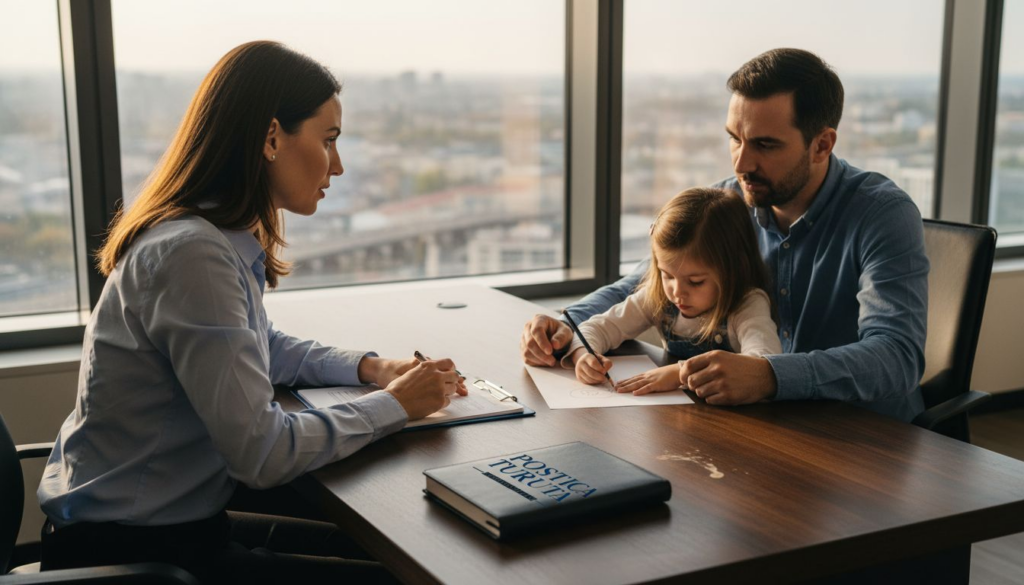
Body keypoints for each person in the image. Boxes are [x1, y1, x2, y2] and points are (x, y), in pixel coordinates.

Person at [37, 41, 465, 583]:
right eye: (328, 140)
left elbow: (261, 346)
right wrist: (393, 405)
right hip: (135, 555)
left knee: (392, 556)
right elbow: (262, 455)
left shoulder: (211, 235)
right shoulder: (192, 254)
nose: (338, 163)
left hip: (171, 528)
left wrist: (372, 368)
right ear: (270, 137)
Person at [522, 48, 928, 420]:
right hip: (761, 426)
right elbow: (648, 283)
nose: (742, 162)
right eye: (735, 139)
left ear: (822, 144)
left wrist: (769, 374)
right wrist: (566, 325)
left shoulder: (882, 214)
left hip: (862, 435)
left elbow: (896, 357)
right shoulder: (728, 200)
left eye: (765, 145)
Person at [566, 187, 781, 395]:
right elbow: (599, 328)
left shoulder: (747, 305)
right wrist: (584, 354)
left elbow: (764, 363)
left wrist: (679, 373)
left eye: (695, 282)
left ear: (732, 270)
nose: (677, 292)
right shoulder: (658, 297)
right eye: (667, 275)